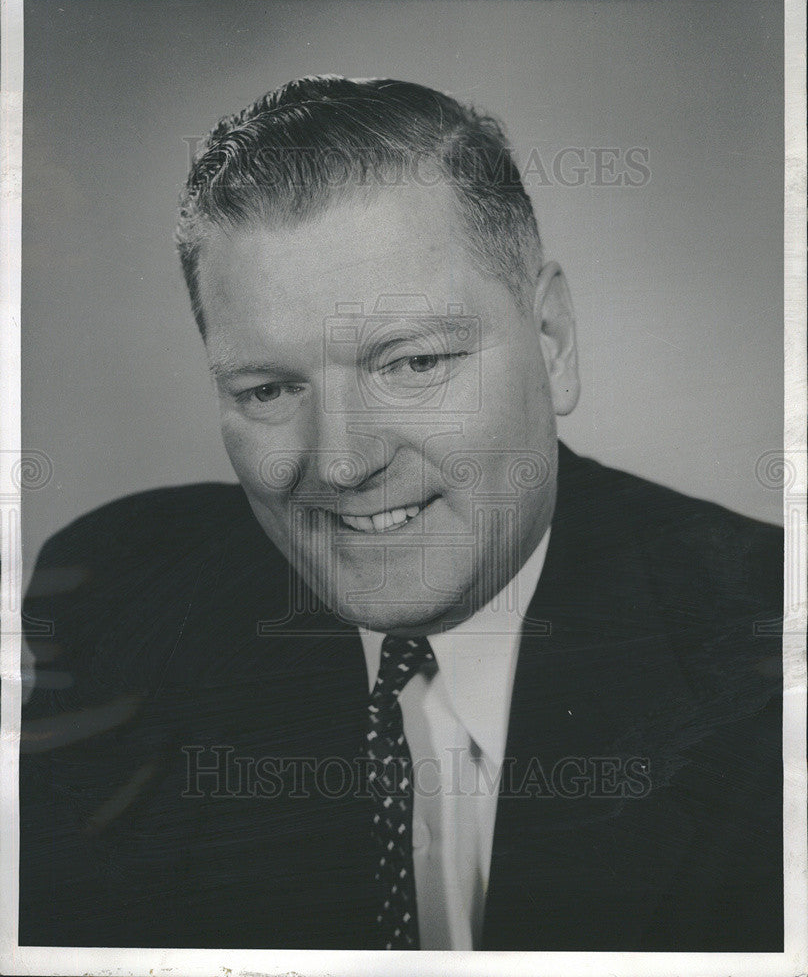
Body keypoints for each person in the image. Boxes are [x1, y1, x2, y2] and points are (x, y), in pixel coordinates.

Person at [19, 76, 783, 952]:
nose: (342, 462)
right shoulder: (116, 601)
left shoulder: (769, 660)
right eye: (268, 388)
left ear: (553, 342)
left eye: (413, 364)